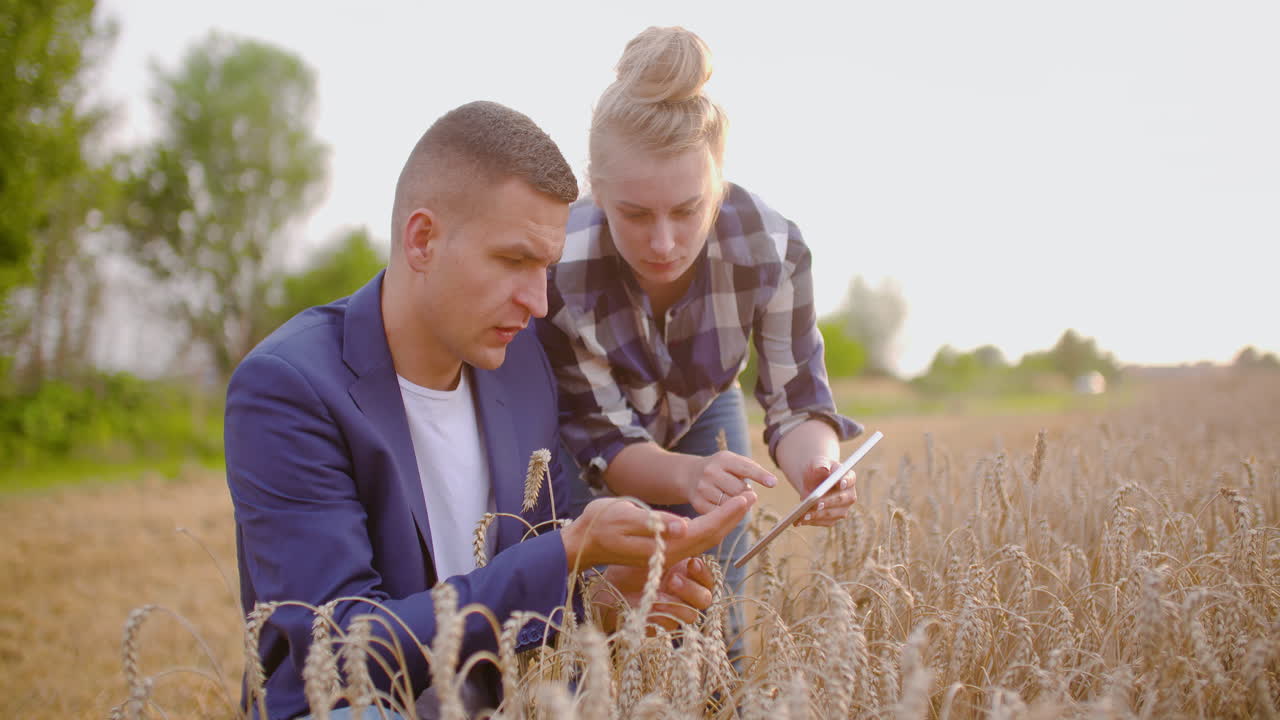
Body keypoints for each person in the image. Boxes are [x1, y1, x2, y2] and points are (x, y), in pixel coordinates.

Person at [225, 100, 755, 720]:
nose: (537, 302)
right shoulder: (289, 387)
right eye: (512, 261)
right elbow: (340, 649)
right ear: (422, 239)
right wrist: (564, 554)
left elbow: (535, 576)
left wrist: (612, 594)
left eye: (547, 269)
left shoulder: (524, 369)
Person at [537, 27, 863, 653]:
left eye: (688, 210)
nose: (663, 244)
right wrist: (689, 479)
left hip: (706, 401)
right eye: (634, 214)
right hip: (594, 435)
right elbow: (606, 440)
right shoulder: (560, 269)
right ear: (596, 191)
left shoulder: (773, 247)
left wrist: (817, 467)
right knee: (596, 612)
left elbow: (797, 398)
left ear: (719, 184)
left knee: (717, 610)